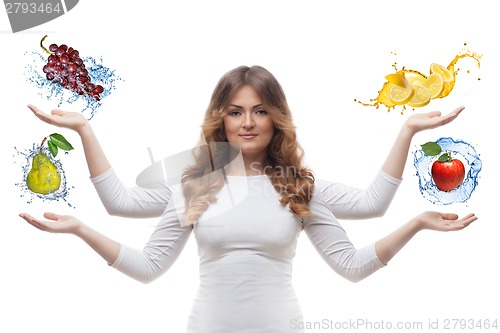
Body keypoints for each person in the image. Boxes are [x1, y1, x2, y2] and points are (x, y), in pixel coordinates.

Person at [20, 65, 477, 332]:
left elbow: (358, 249)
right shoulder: (195, 185)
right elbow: (141, 252)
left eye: (260, 110)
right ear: (220, 120)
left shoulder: (298, 187)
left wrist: (409, 145)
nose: (248, 122)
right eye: (235, 111)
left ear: (277, 118)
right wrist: (83, 136)